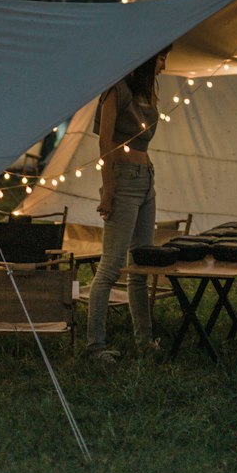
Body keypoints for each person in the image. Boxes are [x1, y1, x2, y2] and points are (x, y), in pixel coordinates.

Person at [86, 48, 170, 362]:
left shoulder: (146, 93)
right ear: (149, 59)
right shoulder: (116, 90)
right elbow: (104, 141)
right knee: (111, 265)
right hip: (123, 177)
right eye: (161, 59)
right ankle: (95, 346)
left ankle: (145, 342)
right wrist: (108, 189)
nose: (164, 65)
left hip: (146, 176)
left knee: (141, 265)